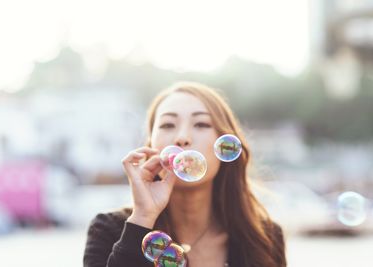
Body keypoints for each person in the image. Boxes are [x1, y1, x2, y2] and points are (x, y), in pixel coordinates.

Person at [83, 82, 287, 267]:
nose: (182, 138)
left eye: (201, 124)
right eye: (168, 125)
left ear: (225, 145)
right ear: (151, 145)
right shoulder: (109, 231)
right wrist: (143, 217)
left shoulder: (265, 238)